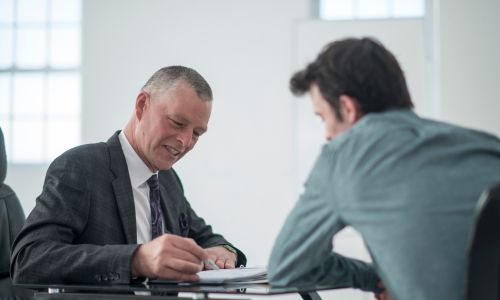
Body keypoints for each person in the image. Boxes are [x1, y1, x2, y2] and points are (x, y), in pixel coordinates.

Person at [267, 37, 500, 300]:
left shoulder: (344, 155)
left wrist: (373, 276)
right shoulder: (488, 146)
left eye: (324, 118)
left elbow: (287, 268)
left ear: (347, 107)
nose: (328, 135)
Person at [11, 66, 246, 284]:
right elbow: (29, 260)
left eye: (196, 133)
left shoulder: (168, 180)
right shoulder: (80, 167)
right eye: (177, 122)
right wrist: (136, 260)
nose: (185, 141)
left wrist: (225, 250)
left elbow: (205, 238)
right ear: (142, 104)